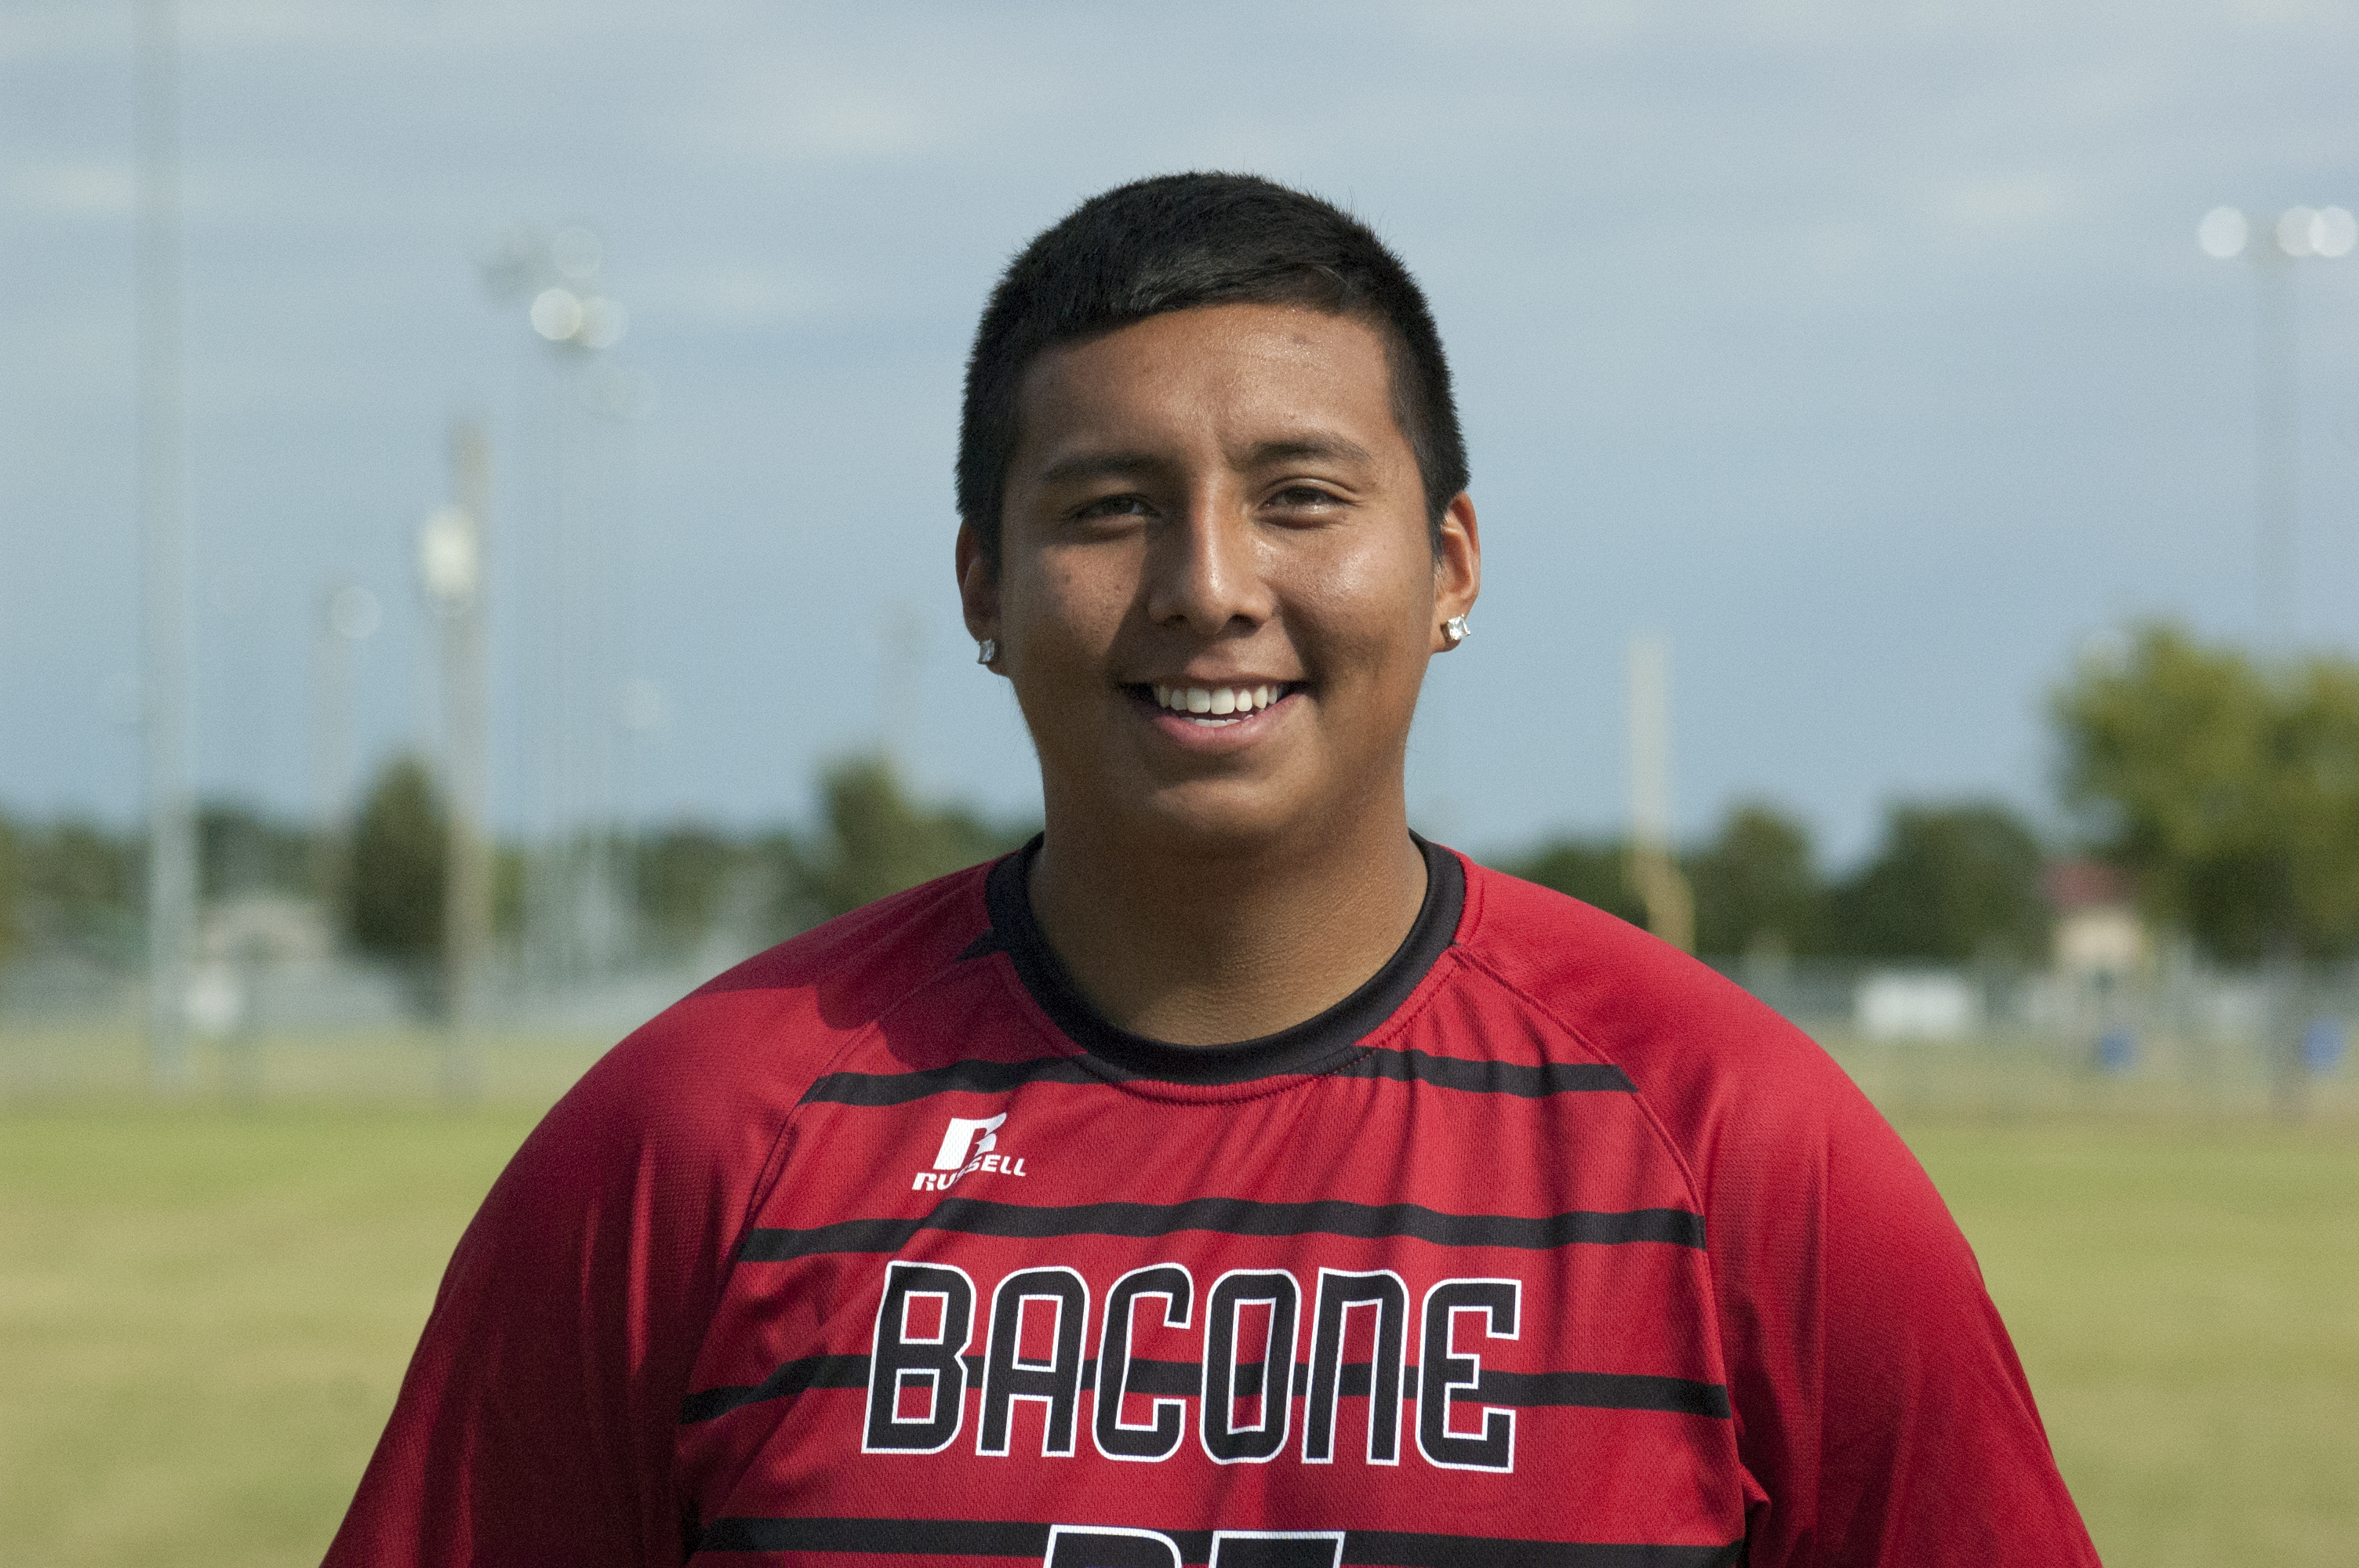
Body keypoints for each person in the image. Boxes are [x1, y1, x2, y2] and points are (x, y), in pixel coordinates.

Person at [324, 173, 2098, 1567]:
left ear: (1450, 564)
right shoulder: (703, 1138)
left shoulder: (1734, 1148)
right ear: (982, 586)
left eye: (1301, 496)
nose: (1210, 585)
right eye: (1109, 508)